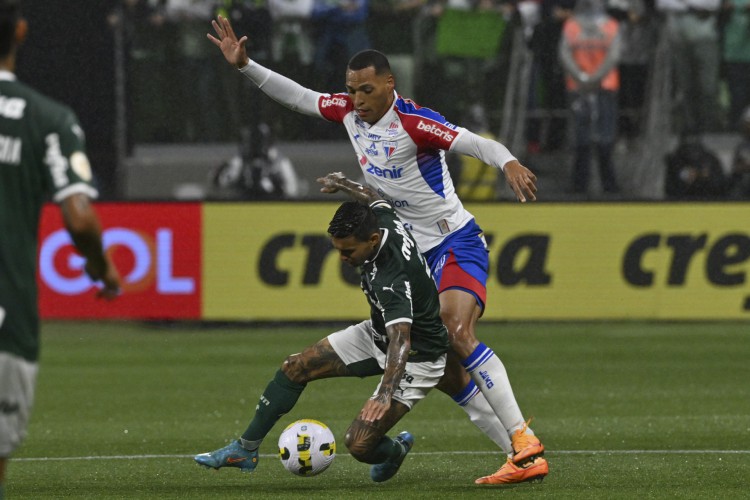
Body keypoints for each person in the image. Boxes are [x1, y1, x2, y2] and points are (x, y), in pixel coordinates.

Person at [207, 15, 548, 485]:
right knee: (447, 369)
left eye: (366, 90)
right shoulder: (348, 111)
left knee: (454, 331)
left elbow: (469, 141)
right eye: (352, 89)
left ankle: (524, 440)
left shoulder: (414, 121)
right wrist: (246, 66)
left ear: (389, 84)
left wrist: (507, 160)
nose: (358, 99)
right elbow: (301, 97)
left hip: (451, 241)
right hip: (408, 247)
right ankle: (522, 457)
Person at [195, 192, 451, 483]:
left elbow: (402, 340)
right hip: (378, 334)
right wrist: (343, 183)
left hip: (418, 356)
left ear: (373, 240)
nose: (342, 258)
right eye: (338, 249)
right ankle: (244, 450)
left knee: (359, 444)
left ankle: (395, 450)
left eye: (348, 252)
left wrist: (384, 393)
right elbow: (371, 197)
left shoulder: (390, 278)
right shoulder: (381, 219)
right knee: (295, 367)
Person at [0, 1, 122, 497]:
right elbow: (79, 216)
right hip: (8, 318)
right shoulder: (48, 118)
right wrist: (104, 271)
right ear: (22, 32)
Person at [559, 0, 622, 195]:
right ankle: (579, 187)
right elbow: (564, 53)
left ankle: (609, 188)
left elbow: (614, 55)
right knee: (581, 140)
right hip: (579, 89)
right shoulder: (571, 25)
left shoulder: (611, 25)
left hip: (604, 88)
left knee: (605, 139)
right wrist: (581, 77)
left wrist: (592, 78)